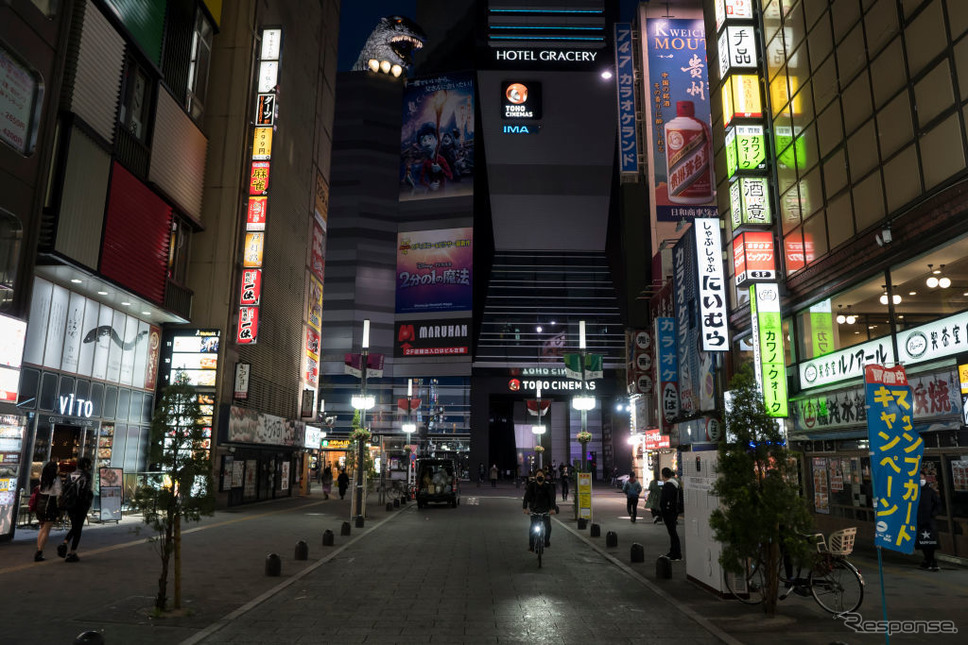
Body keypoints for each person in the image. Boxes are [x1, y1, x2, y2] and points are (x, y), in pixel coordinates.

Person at [57, 457, 93, 563]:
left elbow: (66, 489)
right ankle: (72, 552)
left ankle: (65, 544)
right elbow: (86, 491)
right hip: (81, 505)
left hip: (70, 505)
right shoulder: (87, 476)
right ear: (86, 465)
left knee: (75, 526)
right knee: (78, 528)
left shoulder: (70, 475)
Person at [522, 469, 558, 550]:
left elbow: (552, 498)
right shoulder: (531, 486)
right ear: (535, 477)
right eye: (538, 475)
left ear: (544, 477)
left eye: (541, 476)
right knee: (532, 528)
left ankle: (546, 541)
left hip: (546, 510)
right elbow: (526, 497)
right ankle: (531, 546)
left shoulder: (548, 486)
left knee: (548, 527)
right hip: (534, 510)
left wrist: (552, 509)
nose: (540, 477)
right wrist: (525, 508)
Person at [34, 461, 62, 562]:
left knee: (42, 528)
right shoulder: (56, 479)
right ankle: (39, 552)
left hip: (41, 502)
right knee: (46, 529)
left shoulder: (42, 476)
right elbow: (59, 492)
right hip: (50, 503)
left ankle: (39, 550)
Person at [916, 470, 942, 571]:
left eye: (922, 478)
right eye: (918, 478)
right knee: (922, 542)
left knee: (931, 541)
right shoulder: (913, 491)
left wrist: (933, 513)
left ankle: (931, 560)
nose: (920, 480)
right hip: (919, 521)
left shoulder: (930, 491)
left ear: (925, 478)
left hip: (929, 521)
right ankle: (928, 560)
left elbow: (938, 504)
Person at [659, 467, 681, 561]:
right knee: (673, 532)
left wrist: (663, 511)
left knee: (672, 533)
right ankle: (673, 552)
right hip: (674, 511)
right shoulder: (676, 483)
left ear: (663, 475)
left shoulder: (668, 485)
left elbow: (664, 500)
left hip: (669, 512)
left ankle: (676, 554)